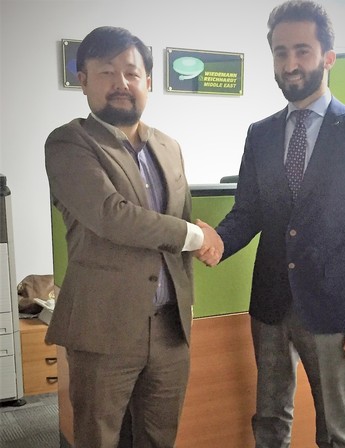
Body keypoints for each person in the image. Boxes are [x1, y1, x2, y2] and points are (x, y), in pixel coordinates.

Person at [197, 1, 345, 447]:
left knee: (336, 430)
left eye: (302, 51)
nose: (290, 64)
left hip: (332, 306)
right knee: (269, 420)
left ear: (328, 57)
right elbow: (249, 211)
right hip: (269, 302)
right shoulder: (261, 133)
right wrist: (217, 241)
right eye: (281, 52)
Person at [44, 26, 223, 448]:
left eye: (131, 72)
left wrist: (187, 298)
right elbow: (113, 217)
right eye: (106, 72)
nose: (121, 83)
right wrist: (194, 236)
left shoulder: (169, 146)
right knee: (99, 438)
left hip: (169, 330)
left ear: (148, 81)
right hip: (103, 330)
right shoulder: (70, 142)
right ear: (83, 80)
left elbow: (180, 220)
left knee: (159, 438)